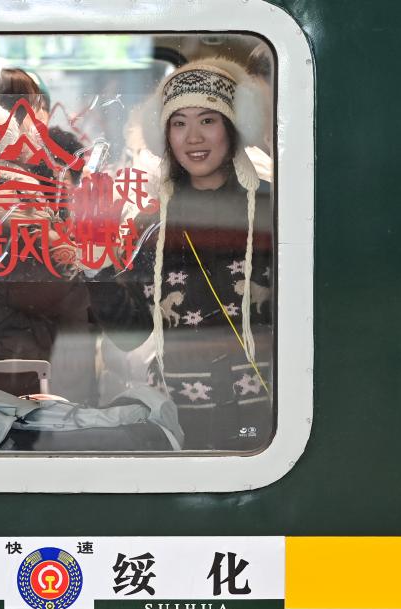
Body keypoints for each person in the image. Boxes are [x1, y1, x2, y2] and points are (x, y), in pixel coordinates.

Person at [0, 59, 153, 416]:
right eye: (34, 109)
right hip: (16, 397)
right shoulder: (4, 196)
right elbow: (83, 302)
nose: (43, 120)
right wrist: (98, 256)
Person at [131, 58, 275, 450]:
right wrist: (96, 269)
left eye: (208, 120)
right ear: (165, 135)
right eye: (179, 123)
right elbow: (128, 332)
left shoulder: (273, 210)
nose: (193, 137)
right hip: (179, 413)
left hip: (270, 417)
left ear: (234, 127)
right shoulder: (151, 222)